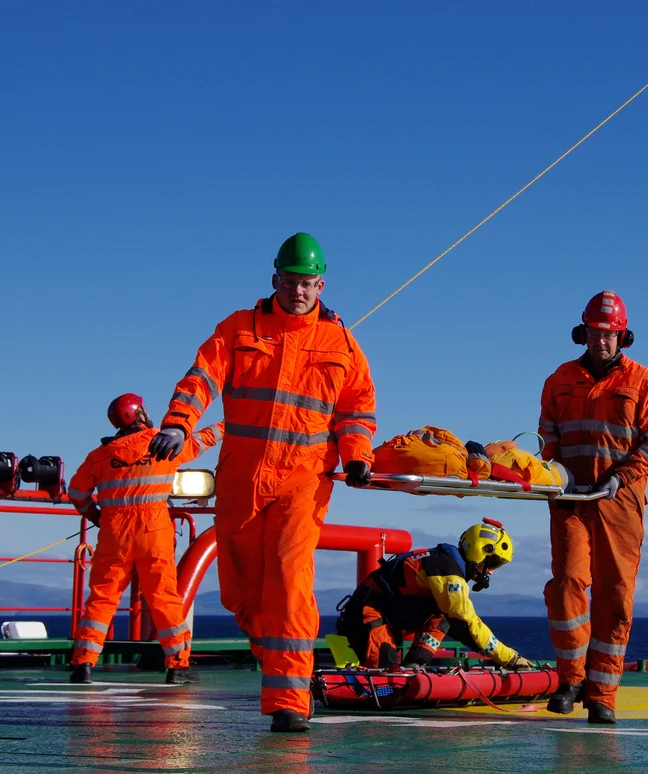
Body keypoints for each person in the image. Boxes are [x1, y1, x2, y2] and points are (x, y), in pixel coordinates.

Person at [148, 232, 376, 733]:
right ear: (276, 280)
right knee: (241, 589)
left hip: (304, 478)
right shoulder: (239, 328)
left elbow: (357, 408)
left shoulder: (340, 342)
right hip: (242, 478)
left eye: (308, 283)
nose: (299, 291)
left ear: (321, 285)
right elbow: (201, 378)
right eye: (291, 282)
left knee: (292, 581)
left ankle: (290, 701)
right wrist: (177, 423)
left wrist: (358, 455)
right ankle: (280, 664)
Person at [537, 290, 648, 723]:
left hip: (620, 500)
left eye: (610, 334)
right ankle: (570, 679)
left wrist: (622, 476)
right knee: (567, 584)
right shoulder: (558, 380)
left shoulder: (646, 383)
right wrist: (558, 471)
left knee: (616, 595)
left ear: (623, 336)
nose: (602, 341)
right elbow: (547, 436)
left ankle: (603, 695)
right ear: (584, 332)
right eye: (596, 333)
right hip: (571, 498)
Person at [66, 393, 224, 685]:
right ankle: (177, 666)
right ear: (139, 414)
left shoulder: (100, 456)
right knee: (163, 597)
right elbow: (201, 441)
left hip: (114, 534)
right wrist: (229, 425)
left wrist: (96, 515)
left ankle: (83, 664)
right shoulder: (161, 444)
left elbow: (76, 492)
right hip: (153, 531)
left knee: (102, 597)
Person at [336, 517, 534, 670]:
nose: (491, 571)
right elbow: (466, 624)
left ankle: (414, 665)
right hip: (369, 614)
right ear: (480, 552)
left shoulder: (444, 564)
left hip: (387, 614)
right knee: (384, 677)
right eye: (493, 563)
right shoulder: (447, 573)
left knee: (443, 615)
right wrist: (510, 659)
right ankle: (397, 678)